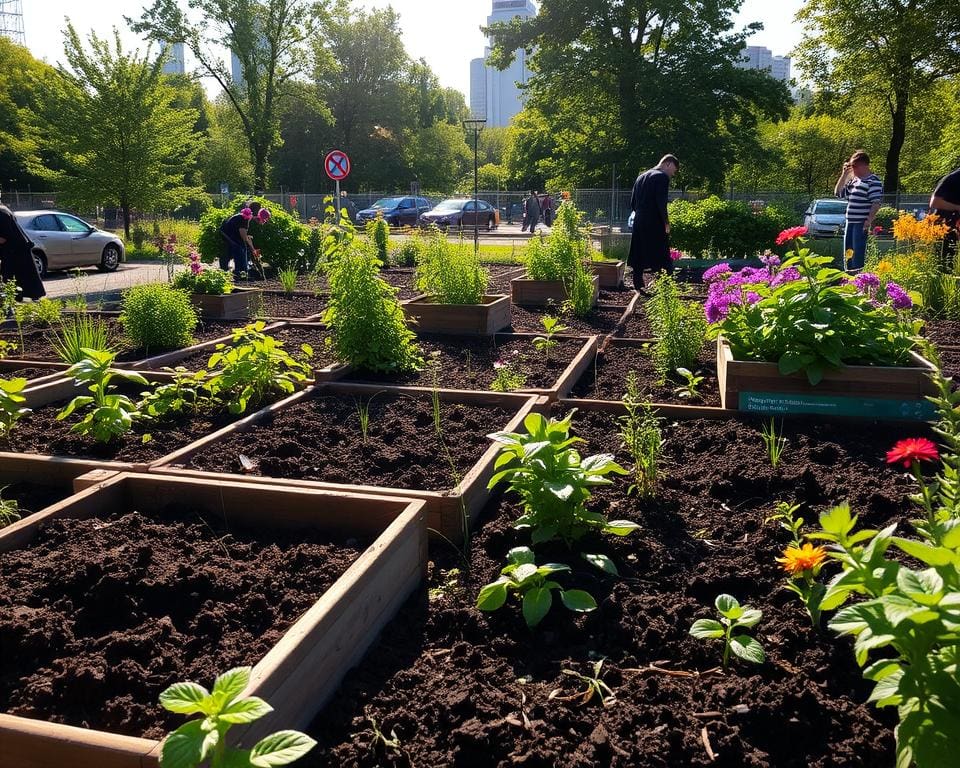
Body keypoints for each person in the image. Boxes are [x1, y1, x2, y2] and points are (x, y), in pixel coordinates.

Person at [628, 154, 679, 291]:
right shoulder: (661, 177)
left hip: (639, 219)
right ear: (668, 163)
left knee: (639, 251)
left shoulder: (641, 176)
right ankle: (665, 287)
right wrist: (666, 223)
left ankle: (638, 284)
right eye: (673, 170)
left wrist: (640, 214)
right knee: (661, 254)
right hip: (654, 221)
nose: (672, 174)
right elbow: (661, 203)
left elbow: (632, 203)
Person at [834, 150, 883, 272]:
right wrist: (844, 175)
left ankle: (858, 280)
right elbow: (838, 193)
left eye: (854, 166)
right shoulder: (854, 181)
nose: (852, 170)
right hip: (850, 222)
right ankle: (848, 279)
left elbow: (876, 203)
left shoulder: (873, 181)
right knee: (848, 255)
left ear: (864, 165)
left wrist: (868, 220)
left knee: (858, 255)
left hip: (861, 223)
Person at [0, 193, 45, 301]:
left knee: (14, 277)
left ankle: (16, 300)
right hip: (15, 248)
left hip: (14, 249)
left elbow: (3, 237)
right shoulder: (3, 210)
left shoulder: (1, 213)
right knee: (22, 276)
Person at [219, 201, 260, 279]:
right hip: (227, 233)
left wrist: (253, 249)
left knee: (241, 247)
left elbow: (245, 236)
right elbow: (244, 236)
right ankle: (240, 273)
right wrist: (251, 247)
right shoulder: (245, 218)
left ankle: (241, 272)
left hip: (230, 233)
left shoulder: (246, 216)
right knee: (240, 248)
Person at [930, 167, 960, 268]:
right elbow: (934, 202)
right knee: (945, 265)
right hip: (946, 230)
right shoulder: (952, 179)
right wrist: (957, 207)